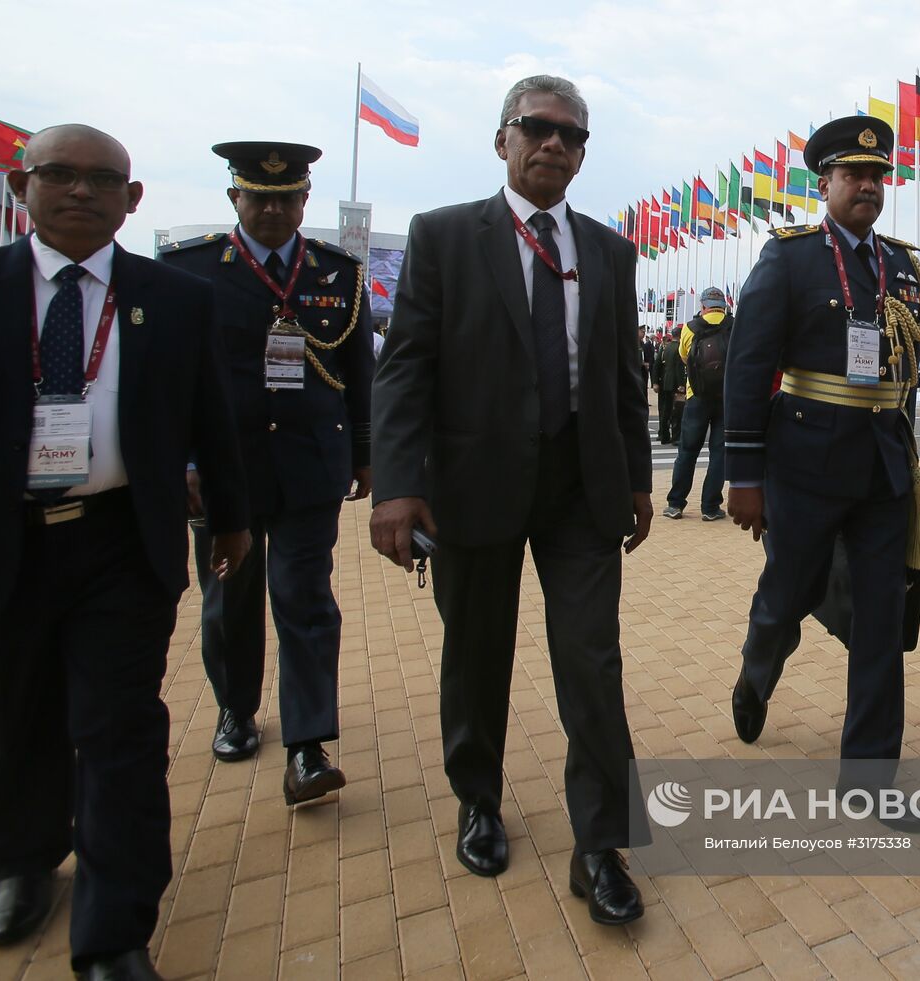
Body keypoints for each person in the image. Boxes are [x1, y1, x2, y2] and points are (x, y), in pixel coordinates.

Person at [0, 124, 251, 980]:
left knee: (119, 730)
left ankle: (114, 930)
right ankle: (22, 861)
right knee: (8, 718)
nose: (81, 192)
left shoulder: (174, 297)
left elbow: (210, 416)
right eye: (59, 175)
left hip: (118, 542)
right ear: (18, 185)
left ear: (132, 199)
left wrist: (229, 515)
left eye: (103, 180)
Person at [368, 75, 652, 925]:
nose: (553, 144)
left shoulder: (608, 251)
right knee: (478, 652)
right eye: (537, 129)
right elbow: (406, 366)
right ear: (503, 140)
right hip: (474, 486)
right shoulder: (446, 237)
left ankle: (600, 844)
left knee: (593, 664)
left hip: (579, 491)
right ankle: (478, 799)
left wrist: (637, 477)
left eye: (571, 135)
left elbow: (622, 376)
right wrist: (398, 484)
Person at [724, 115, 920, 831]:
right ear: (827, 183)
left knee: (882, 615)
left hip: (880, 464)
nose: (869, 187)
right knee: (788, 595)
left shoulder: (904, 264)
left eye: (879, 176)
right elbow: (748, 368)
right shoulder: (789, 259)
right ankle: (758, 667)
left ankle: (870, 776)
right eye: (855, 175)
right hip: (804, 461)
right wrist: (743, 474)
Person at [161, 142, 373, 805]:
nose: (276, 209)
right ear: (235, 199)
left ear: (306, 200)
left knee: (306, 597)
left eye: (289, 198)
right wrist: (184, 462)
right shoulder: (192, 270)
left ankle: (308, 746)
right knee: (229, 597)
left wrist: (367, 455)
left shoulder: (339, 274)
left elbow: (360, 378)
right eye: (261, 197)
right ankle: (236, 706)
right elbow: (167, 388)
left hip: (310, 465)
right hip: (224, 470)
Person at [663, 287, 731, 520]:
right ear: (724, 306)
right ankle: (710, 507)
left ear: (703, 306)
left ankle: (675, 504)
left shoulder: (690, 328)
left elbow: (685, 357)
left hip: (696, 396)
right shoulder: (735, 325)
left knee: (687, 451)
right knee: (719, 452)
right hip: (726, 398)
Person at [654, 325, 686, 443]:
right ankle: (676, 437)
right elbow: (679, 368)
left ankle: (664, 434)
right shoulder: (678, 348)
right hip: (676, 384)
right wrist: (681, 383)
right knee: (677, 411)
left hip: (666, 382)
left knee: (665, 410)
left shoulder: (665, 347)